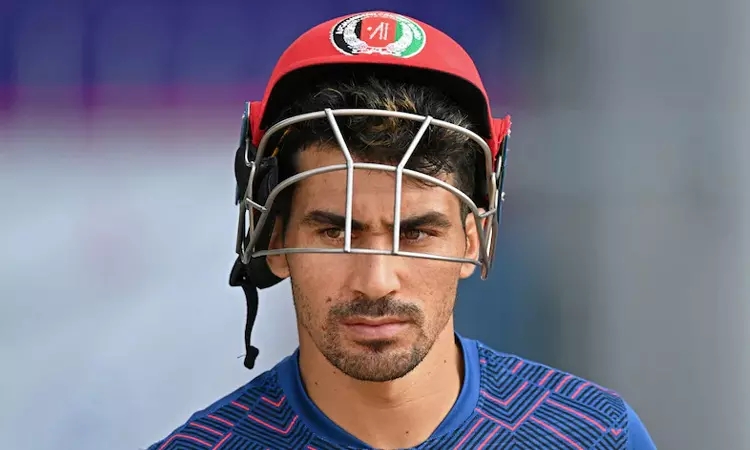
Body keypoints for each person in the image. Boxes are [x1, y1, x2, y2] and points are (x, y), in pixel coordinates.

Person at [147, 10, 656, 450]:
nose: (376, 282)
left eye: (416, 233)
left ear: (472, 239)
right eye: (335, 233)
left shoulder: (593, 435)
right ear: (274, 241)